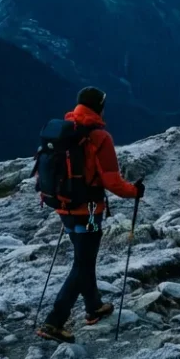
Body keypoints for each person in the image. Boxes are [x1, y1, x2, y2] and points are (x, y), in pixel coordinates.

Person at [36, 86, 144, 343]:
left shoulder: (64, 131)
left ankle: (93, 305)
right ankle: (54, 322)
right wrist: (135, 191)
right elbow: (112, 182)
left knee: (84, 259)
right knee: (83, 264)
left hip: (64, 208)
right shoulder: (99, 137)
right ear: (99, 106)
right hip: (90, 211)